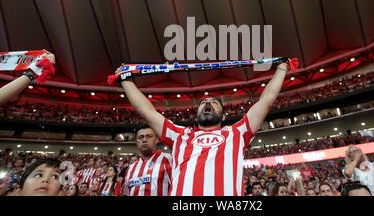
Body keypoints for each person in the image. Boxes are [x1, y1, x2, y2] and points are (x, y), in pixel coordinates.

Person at [118, 59, 294, 196]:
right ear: (197, 114)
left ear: (224, 116)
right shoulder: (179, 135)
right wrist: (125, 80)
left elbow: (266, 101)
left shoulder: (237, 132)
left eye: (214, 102)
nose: (207, 103)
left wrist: (282, 68)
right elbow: (146, 110)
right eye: (203, 103)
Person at [123, 125, 172, 196]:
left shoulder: (169, 160)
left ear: (156, 140)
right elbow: (126, 193)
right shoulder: (131, 168)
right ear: (137, 142)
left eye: (149, 136)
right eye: (141, 137)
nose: (144, 140)